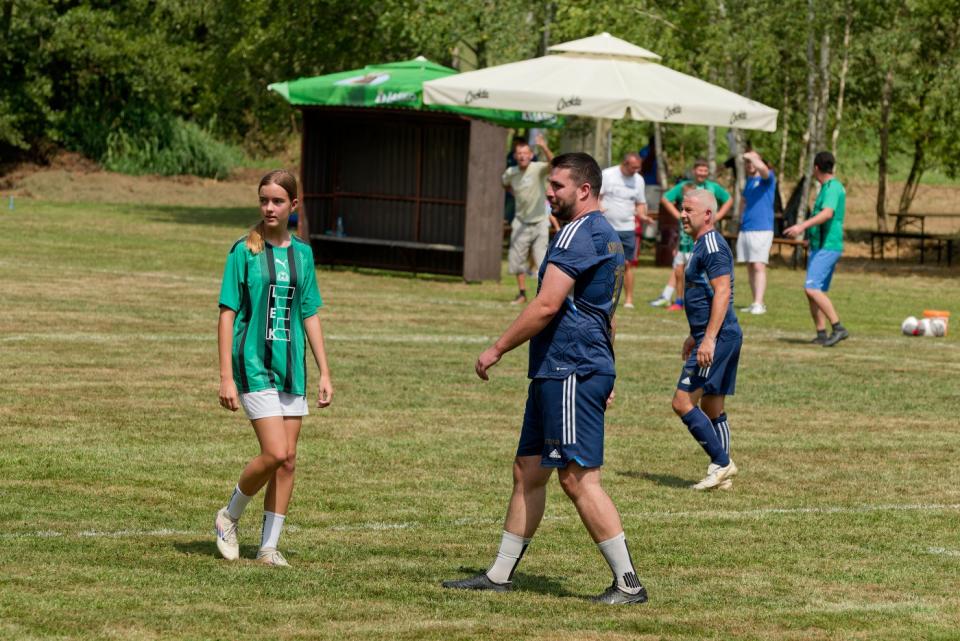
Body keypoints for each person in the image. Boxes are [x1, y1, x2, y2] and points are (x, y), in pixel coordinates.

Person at [443, 153, 648, 605]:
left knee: (578, 478)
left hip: (570, 368)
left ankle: (628, 584)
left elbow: (547, 304)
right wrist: (608, 370)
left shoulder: (577, 232)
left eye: (557, 185)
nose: (549, 192)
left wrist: (497, 348)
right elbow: (605, 315)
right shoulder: (607, 235)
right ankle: (499, 575)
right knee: (528, 470)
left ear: (584, 190)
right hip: (563, 369)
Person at [214, 170, 334, 567]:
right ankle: (229, 516)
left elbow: (309, 312)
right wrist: (226, 377)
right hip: (253, 365)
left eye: (278, 201)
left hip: (292, 368)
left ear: (294, 206)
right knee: (275, 451)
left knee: (289, 459)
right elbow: (227, 314)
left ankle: (268, 547)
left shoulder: (303, 254)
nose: (269, 207)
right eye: (264, 200)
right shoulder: (243, 251)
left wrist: (324, 371)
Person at [670, 188, 741, 491]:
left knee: (682, 402)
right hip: (716, 334)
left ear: (708, 214)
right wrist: (695, 334)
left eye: (689, 210)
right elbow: (706, 294)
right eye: (682, 209)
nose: (682, 215)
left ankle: (722, 462)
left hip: (719, 336)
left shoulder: (711, 245)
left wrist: (708, 339)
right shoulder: (701, 244)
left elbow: (723, 291)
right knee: (712, 405)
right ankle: (722, 472)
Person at [783, 151, 849, 347]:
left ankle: (838, 328)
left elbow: (827, 213)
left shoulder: (832, 187)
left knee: (811, 288)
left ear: (816, 168)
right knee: (813, 290)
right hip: (819, 245)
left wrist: (801, 227)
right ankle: (821, 333)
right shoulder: (827, 187)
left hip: (828, 246)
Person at [650, 159, 733, 310]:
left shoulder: (713, 187)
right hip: (684, 238)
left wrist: (717, 216)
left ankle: (702, 300)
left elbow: (728, 200)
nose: (702, 173)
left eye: (705, 170)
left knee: (700, 271)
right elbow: (665, 199)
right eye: (700, 170)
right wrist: (678, 216)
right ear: (694, 171)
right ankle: (677, 300)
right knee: (679, 268)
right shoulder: (685, 186)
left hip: (702, 237)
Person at [502, 134, 558, 305]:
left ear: (531, 155)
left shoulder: (537, 168)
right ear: (515, 156)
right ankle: (522, 293)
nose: (522, 156)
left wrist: (544, 147)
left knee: (542, 261)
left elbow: (554, 164)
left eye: (525, 153)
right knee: (517, 260)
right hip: (520, 221)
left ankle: (544, 296)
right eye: (519, 153)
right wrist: (513, 192)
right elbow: (504, 183)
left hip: (540, 221)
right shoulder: (511, 172)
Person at [599, 152, 653, 308]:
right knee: (605, 263)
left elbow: (640, 203)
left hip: (627, 228)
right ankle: (603, 296)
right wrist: (599, 209)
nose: (636, 171)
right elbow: (597, 196)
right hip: (607, 226)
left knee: (627, 264)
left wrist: (643, 216)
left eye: (638, 168)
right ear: (625, 163)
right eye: (634, 167)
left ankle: (629, 299)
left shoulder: (639, 180)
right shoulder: (607, 174)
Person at [737, 150, 777, 315]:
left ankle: (759, 303)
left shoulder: (767, 178)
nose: (750, 164)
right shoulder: (750, 181)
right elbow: (744, 201)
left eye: (753, 161)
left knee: (759, 265)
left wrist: (752, 157)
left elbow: (764, 170)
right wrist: (740, 218)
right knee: (750, 266)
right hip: (747, 228)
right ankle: (755, 302)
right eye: (747, 162)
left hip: (762, 228)